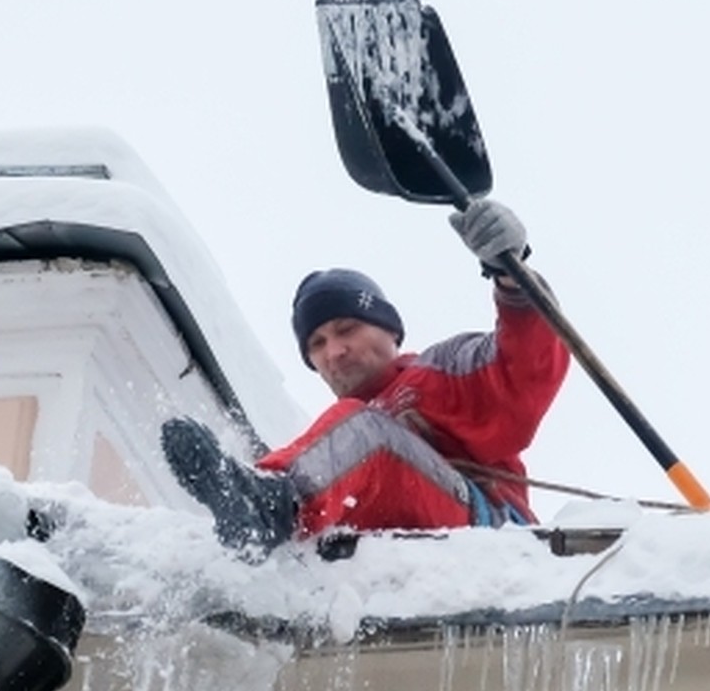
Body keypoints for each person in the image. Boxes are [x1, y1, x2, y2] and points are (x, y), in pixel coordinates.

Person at [161, 197, 569, 560]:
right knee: (343, 437)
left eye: (347, 329)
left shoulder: (438, 372)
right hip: (392, 546)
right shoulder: (332, 441)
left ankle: (270, 507)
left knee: (362, 433)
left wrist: (511, 276)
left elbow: (526, 365)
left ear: (390, 330)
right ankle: (258, 504)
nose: (333, 352)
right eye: (316, 344)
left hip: (487, 534)